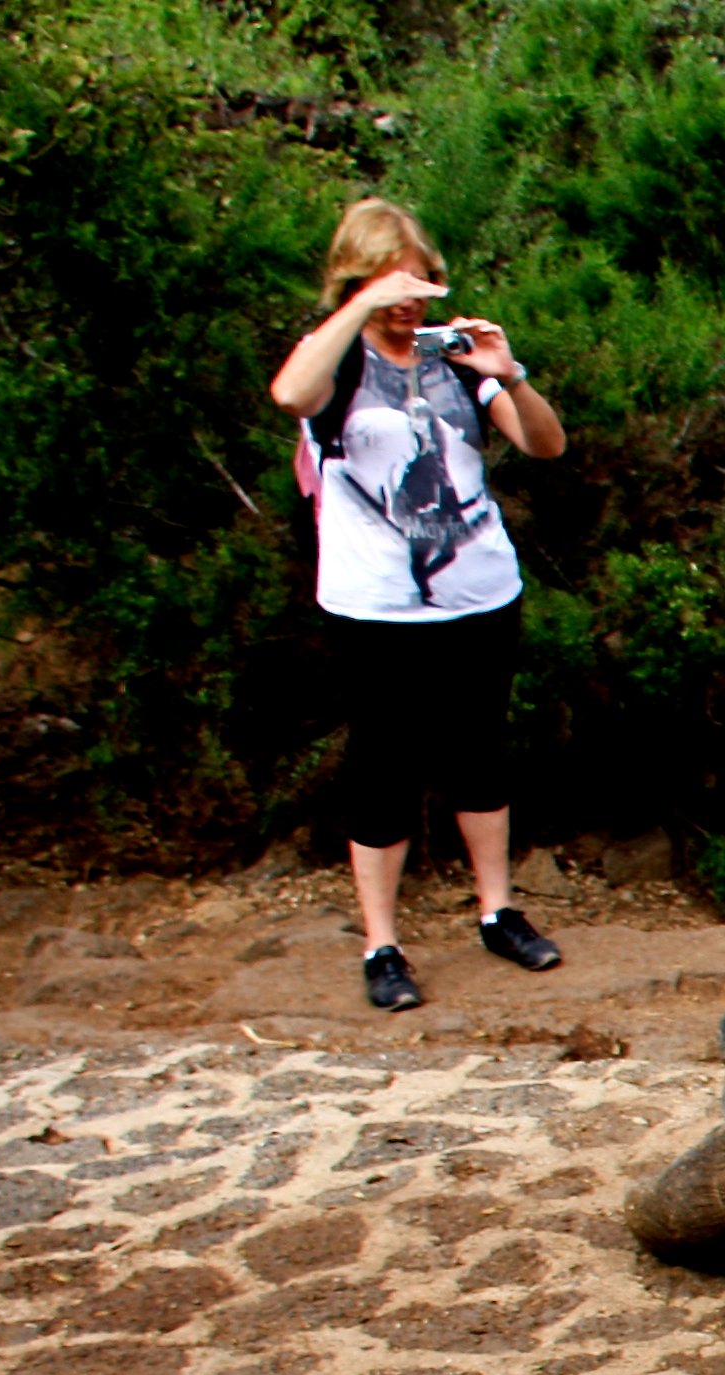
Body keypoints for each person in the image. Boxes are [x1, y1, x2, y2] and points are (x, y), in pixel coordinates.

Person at [269, 197, 568, 1014]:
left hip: (478, 592)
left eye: (420, 279)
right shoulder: (336, 367)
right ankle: (381, 942)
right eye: (389, 281)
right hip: (376, 608)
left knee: (479, 753)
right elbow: (291, 393)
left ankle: (497, 910)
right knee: (383, 768)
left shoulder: (456, 363)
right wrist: (357, 311)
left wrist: (509, 372)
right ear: (355, 282)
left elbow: (545, 444)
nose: (409, 298)